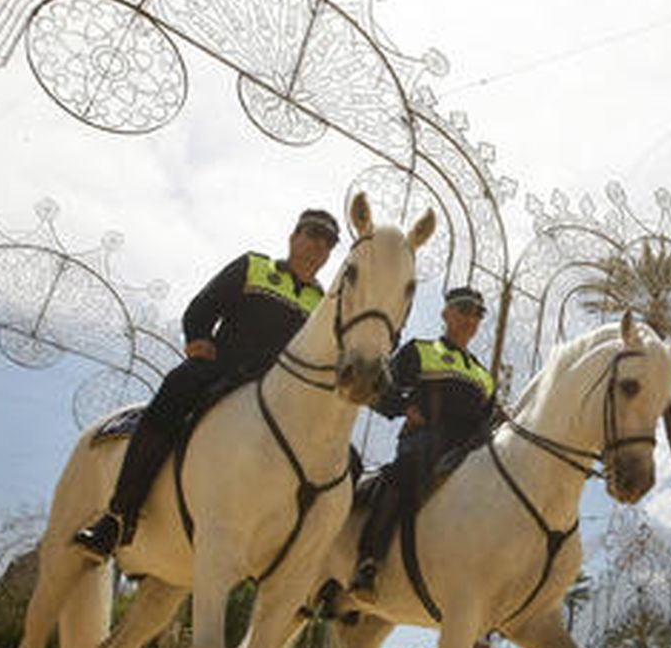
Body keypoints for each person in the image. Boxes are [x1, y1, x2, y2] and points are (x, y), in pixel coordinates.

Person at [73, 208, 342, 559]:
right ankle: (119, 515)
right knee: (178, 387)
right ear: (294, 237)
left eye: (326, 242)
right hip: (222, 368)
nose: (316, 246)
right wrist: (199, 336)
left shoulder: (322, 307)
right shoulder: (254, 266)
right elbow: (205, 304)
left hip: (276, 395)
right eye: (311, 234)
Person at [350, 286, 494, 595]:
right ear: (446, 313)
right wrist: (404, 407)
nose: (472, 318)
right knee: (400, 476)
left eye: (478, 314)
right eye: (465, 309)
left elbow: (488, 422)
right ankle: (368, 562)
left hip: (468, 454)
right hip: (424, 446)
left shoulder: (484, 376)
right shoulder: (421, 350)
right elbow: (377, 387)